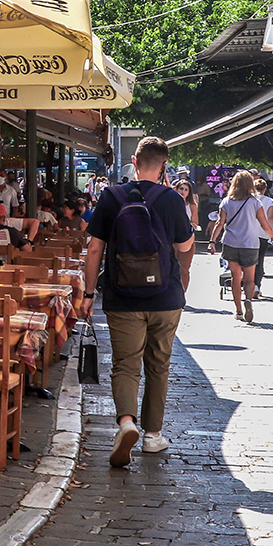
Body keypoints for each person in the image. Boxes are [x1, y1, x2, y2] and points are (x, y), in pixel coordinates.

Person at [84, 136, 194, 468]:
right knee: (158, 366)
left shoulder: (112, 196)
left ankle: (126, 422)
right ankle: (152, 435)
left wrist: (88, 295)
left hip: (122, 297)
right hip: (166, 297)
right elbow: (187, 245)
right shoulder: (173, 199)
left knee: (126, 365)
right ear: (164, 165)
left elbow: (93, 250)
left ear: (134, 161)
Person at [209, 170, 273, 323]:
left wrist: (212, 241)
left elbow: (220, 223)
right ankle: (249, 301)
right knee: (250, 279)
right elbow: (264, 223)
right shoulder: (254, 202)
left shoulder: (226, 202)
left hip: (231, 242)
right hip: (250, 244)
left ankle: (238, 310)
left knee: (235, 277)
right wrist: (272, 236)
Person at [252, 177, 273, 299]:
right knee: (259, 260)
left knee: (248, 260)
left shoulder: (249, 199)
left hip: (249, 233)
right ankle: (256, 285)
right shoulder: (269, 201)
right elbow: (270, 218)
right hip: (263, 233)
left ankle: (248, 284)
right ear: (265, 189)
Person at [172, 179, 199, 293]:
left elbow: (195, 223)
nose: (183, 191)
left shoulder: (192, 205)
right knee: (170, 267)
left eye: (186, 189)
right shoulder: (171, 203)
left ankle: (182, 294)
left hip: (186, 238)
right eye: (181, 189)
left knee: (184, 268)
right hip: (172, 238)